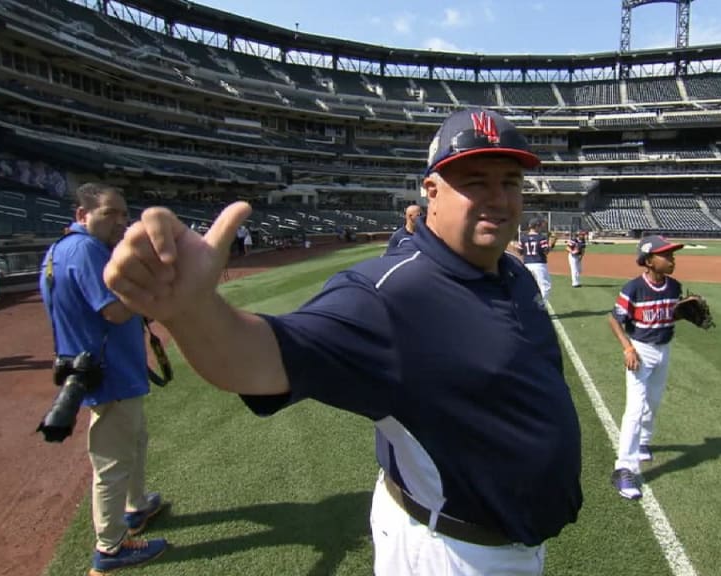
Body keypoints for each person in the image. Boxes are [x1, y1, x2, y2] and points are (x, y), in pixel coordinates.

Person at [104, 109, 583, 576]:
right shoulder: (390, 294)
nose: (499, 198)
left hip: (503, 542)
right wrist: (192, 309)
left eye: (511, 182)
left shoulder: (513, 273)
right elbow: (256, 358)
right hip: (455, 554)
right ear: (432, 192)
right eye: (476, 181)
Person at [39, 183, 167, 573]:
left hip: (104, 367)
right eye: (110, 212)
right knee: (112, 461)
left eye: (123, 213)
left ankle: (137, 506)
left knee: (134, 440)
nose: (120, 221)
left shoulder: (62, 248)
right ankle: (110, 549)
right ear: (82, 214)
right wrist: (148, 292)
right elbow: (112, 310)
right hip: (108, 372)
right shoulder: (87, 250)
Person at [607, 235, 686, 500]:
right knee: (635, 408)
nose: (672, 260)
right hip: (640, 351)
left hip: (664, 349)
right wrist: (627, 348)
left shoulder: (675, 287)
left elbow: (671, 314)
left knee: (653, 401)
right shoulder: (633, 289)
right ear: (649, 260)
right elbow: (615, 320)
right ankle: (624, 468)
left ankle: (643, 442)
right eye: (667, 256)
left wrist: (685, 313)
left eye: (673, 255)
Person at [520, 218, 553, 303]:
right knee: (545, 285)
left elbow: (520, 251)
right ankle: (541, 305)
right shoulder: (541, 238)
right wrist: (552, 244)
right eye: (540, 226)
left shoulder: (523, 238)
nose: (541, 228)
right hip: (539, 263)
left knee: (528, 286)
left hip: (527, 263)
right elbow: (546, 251)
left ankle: (528, 304)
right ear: (536, 226)